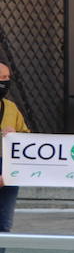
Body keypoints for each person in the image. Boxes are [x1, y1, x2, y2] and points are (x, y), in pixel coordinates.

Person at [0, 62, 30, 235]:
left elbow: (27, 138)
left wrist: (16, 136)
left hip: (7, 168)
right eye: (2, 78)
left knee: (4, 222)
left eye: (8, 77)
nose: (6, 81)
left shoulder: (10, 107)